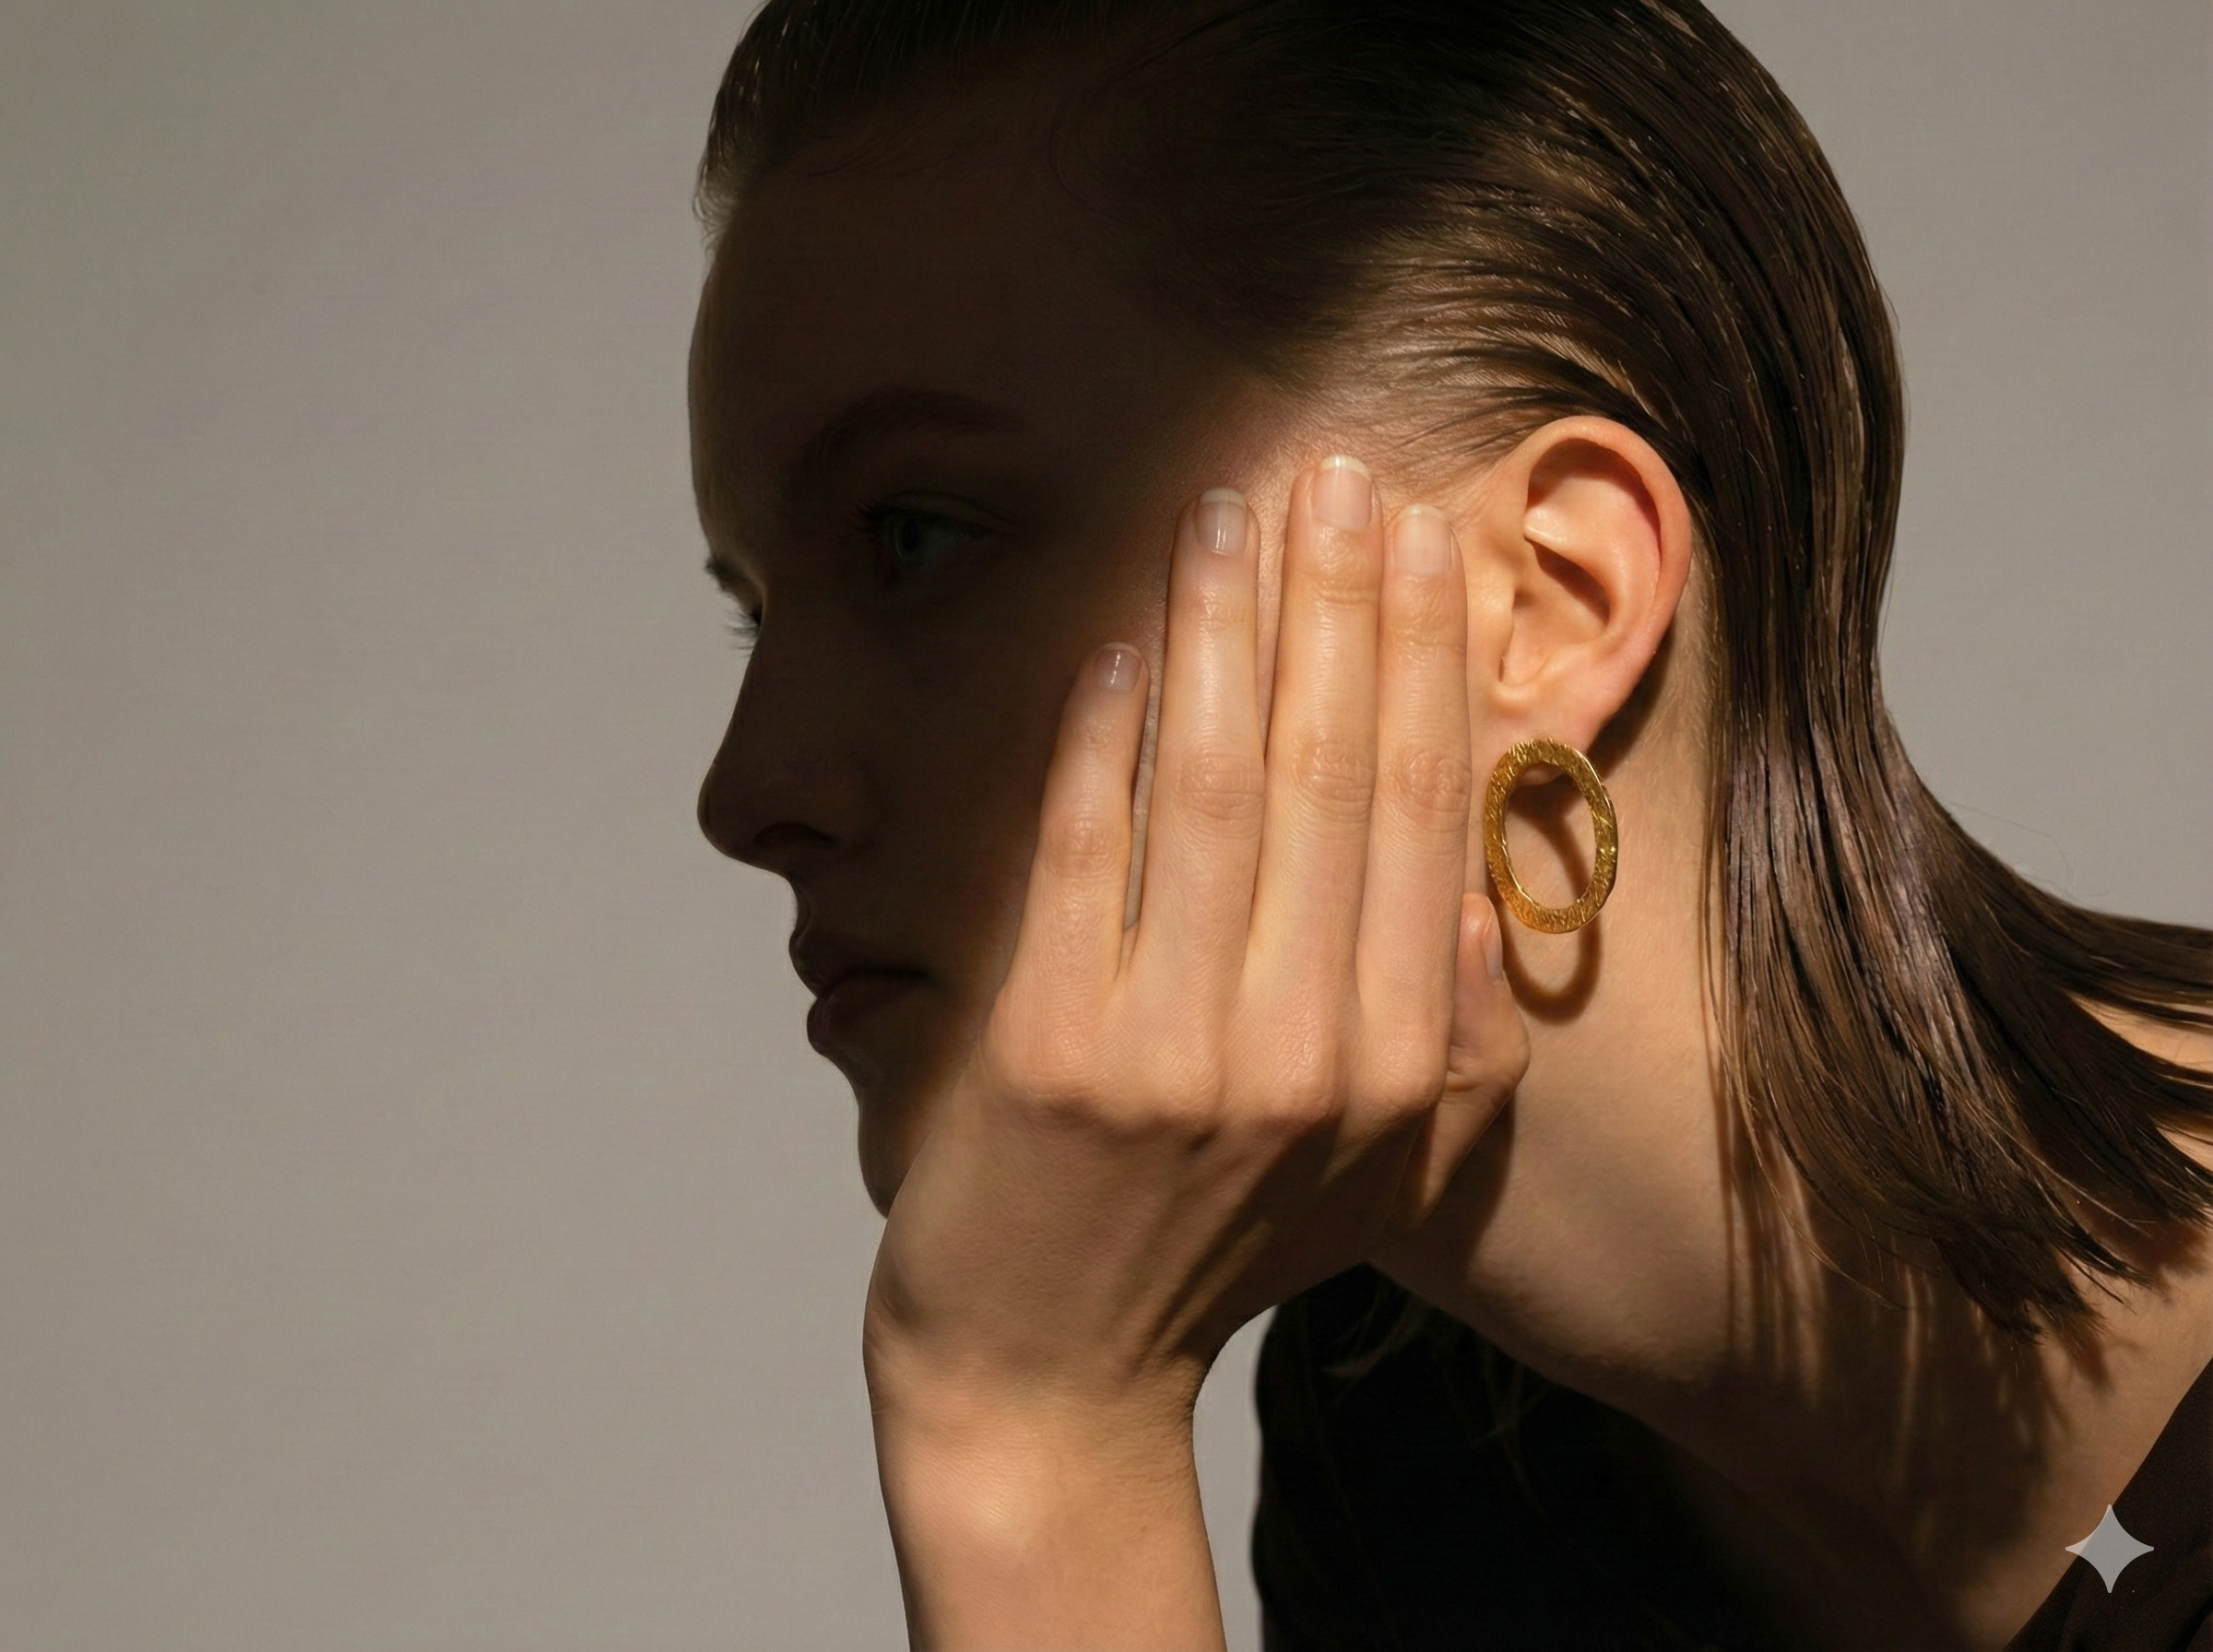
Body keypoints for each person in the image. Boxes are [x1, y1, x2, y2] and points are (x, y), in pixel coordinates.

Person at [686, 1, 2213, 1646]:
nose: (747, 793)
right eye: (755, 615)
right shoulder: (1413, 1441)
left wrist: (1026, 1427)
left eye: (917, 536)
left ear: (1548, 598)